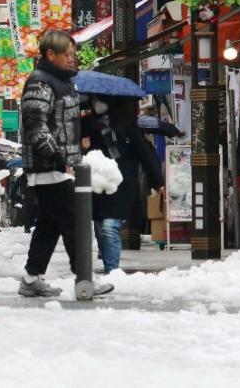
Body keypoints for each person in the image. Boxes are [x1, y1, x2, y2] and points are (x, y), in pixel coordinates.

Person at [18, 30, 111, 297]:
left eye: (74, 54)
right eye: (68, 54)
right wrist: (59, 158)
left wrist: (89, 116)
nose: (73, 59)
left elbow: (61, 120)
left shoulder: (63, 82)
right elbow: (36, 126)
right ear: (51, 54)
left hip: (61, 166)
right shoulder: (40, 82)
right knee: (74, 221)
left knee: (49, 225)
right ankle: (84, 276)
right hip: (50, 167)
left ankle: (31, 277)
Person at [90, 97, 164, 274]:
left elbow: (143, 153)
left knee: (110, 225)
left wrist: (157, 182)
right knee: (101, 224)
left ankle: (112, 270)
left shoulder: (128, 125)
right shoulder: (90, 125)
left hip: (122, 181)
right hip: (99, 181)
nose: (96, 104)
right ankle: (109, 261)